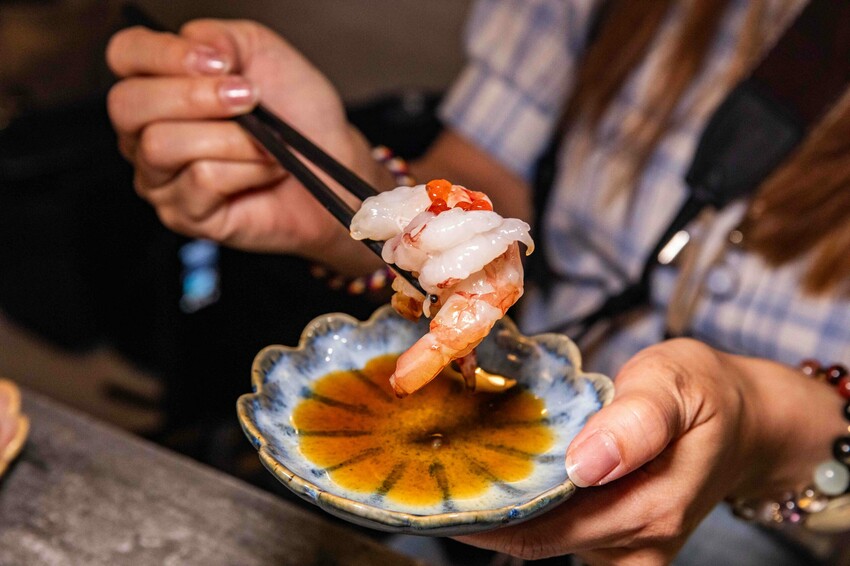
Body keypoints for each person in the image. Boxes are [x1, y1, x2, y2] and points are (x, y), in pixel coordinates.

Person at [105, 1, 850, 564]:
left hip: (790, 509)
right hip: (507, 411)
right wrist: (360, 194)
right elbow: (492, 181)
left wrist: (759, 422)